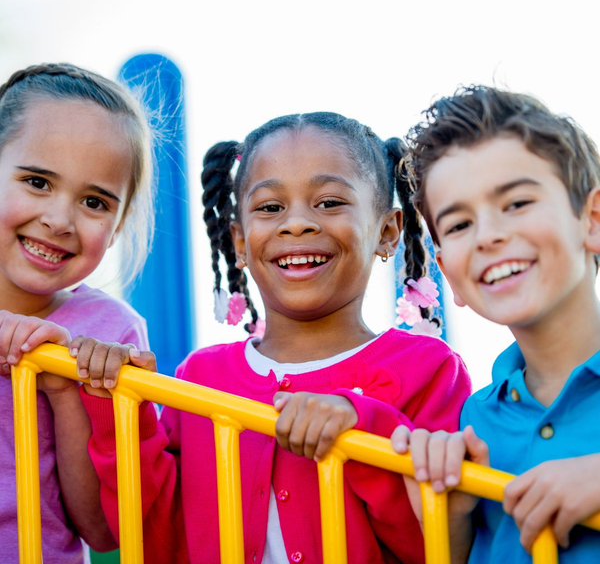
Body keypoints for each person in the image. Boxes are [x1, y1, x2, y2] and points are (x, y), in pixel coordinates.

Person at [78, 111, 471, 564]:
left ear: (387, 232)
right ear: (240, 244)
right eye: (270, 208)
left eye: (329, 203)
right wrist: (117, 407)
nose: (297, 223)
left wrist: (363, 427)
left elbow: (439, 544)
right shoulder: (200, 378)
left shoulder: (427, 368)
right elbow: (154, 535)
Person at [392, 85, 600, 563]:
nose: (488, 235)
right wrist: (451, 519)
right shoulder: (473, 424)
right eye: (460, 224)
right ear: (451, 280)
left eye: (517, 203)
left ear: (592, 221)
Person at [0, 62, 154, 562]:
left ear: (118, 225)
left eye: (94, 201)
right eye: (37, 182)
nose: (59, 220)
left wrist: (65, 388)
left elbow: (104, 531)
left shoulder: (112, 334)